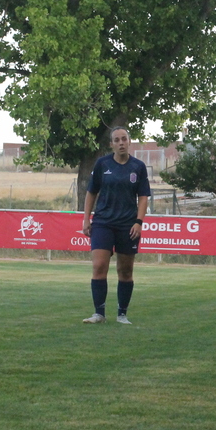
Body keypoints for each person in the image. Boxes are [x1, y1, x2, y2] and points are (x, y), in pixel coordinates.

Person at [82, 126, 151, 325]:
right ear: (111, 144)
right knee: (99, 265)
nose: (121, 142)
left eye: (124, 139)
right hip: (103, 222)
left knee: (125, 270)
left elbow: (143, 196)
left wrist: (139, 222)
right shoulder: (102, 164)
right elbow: (91, 192)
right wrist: (86, 219)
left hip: (127, 225)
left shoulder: (138, 167)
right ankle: (99, 313)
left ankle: (122, 314)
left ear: (129, 141)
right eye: (117, 140)